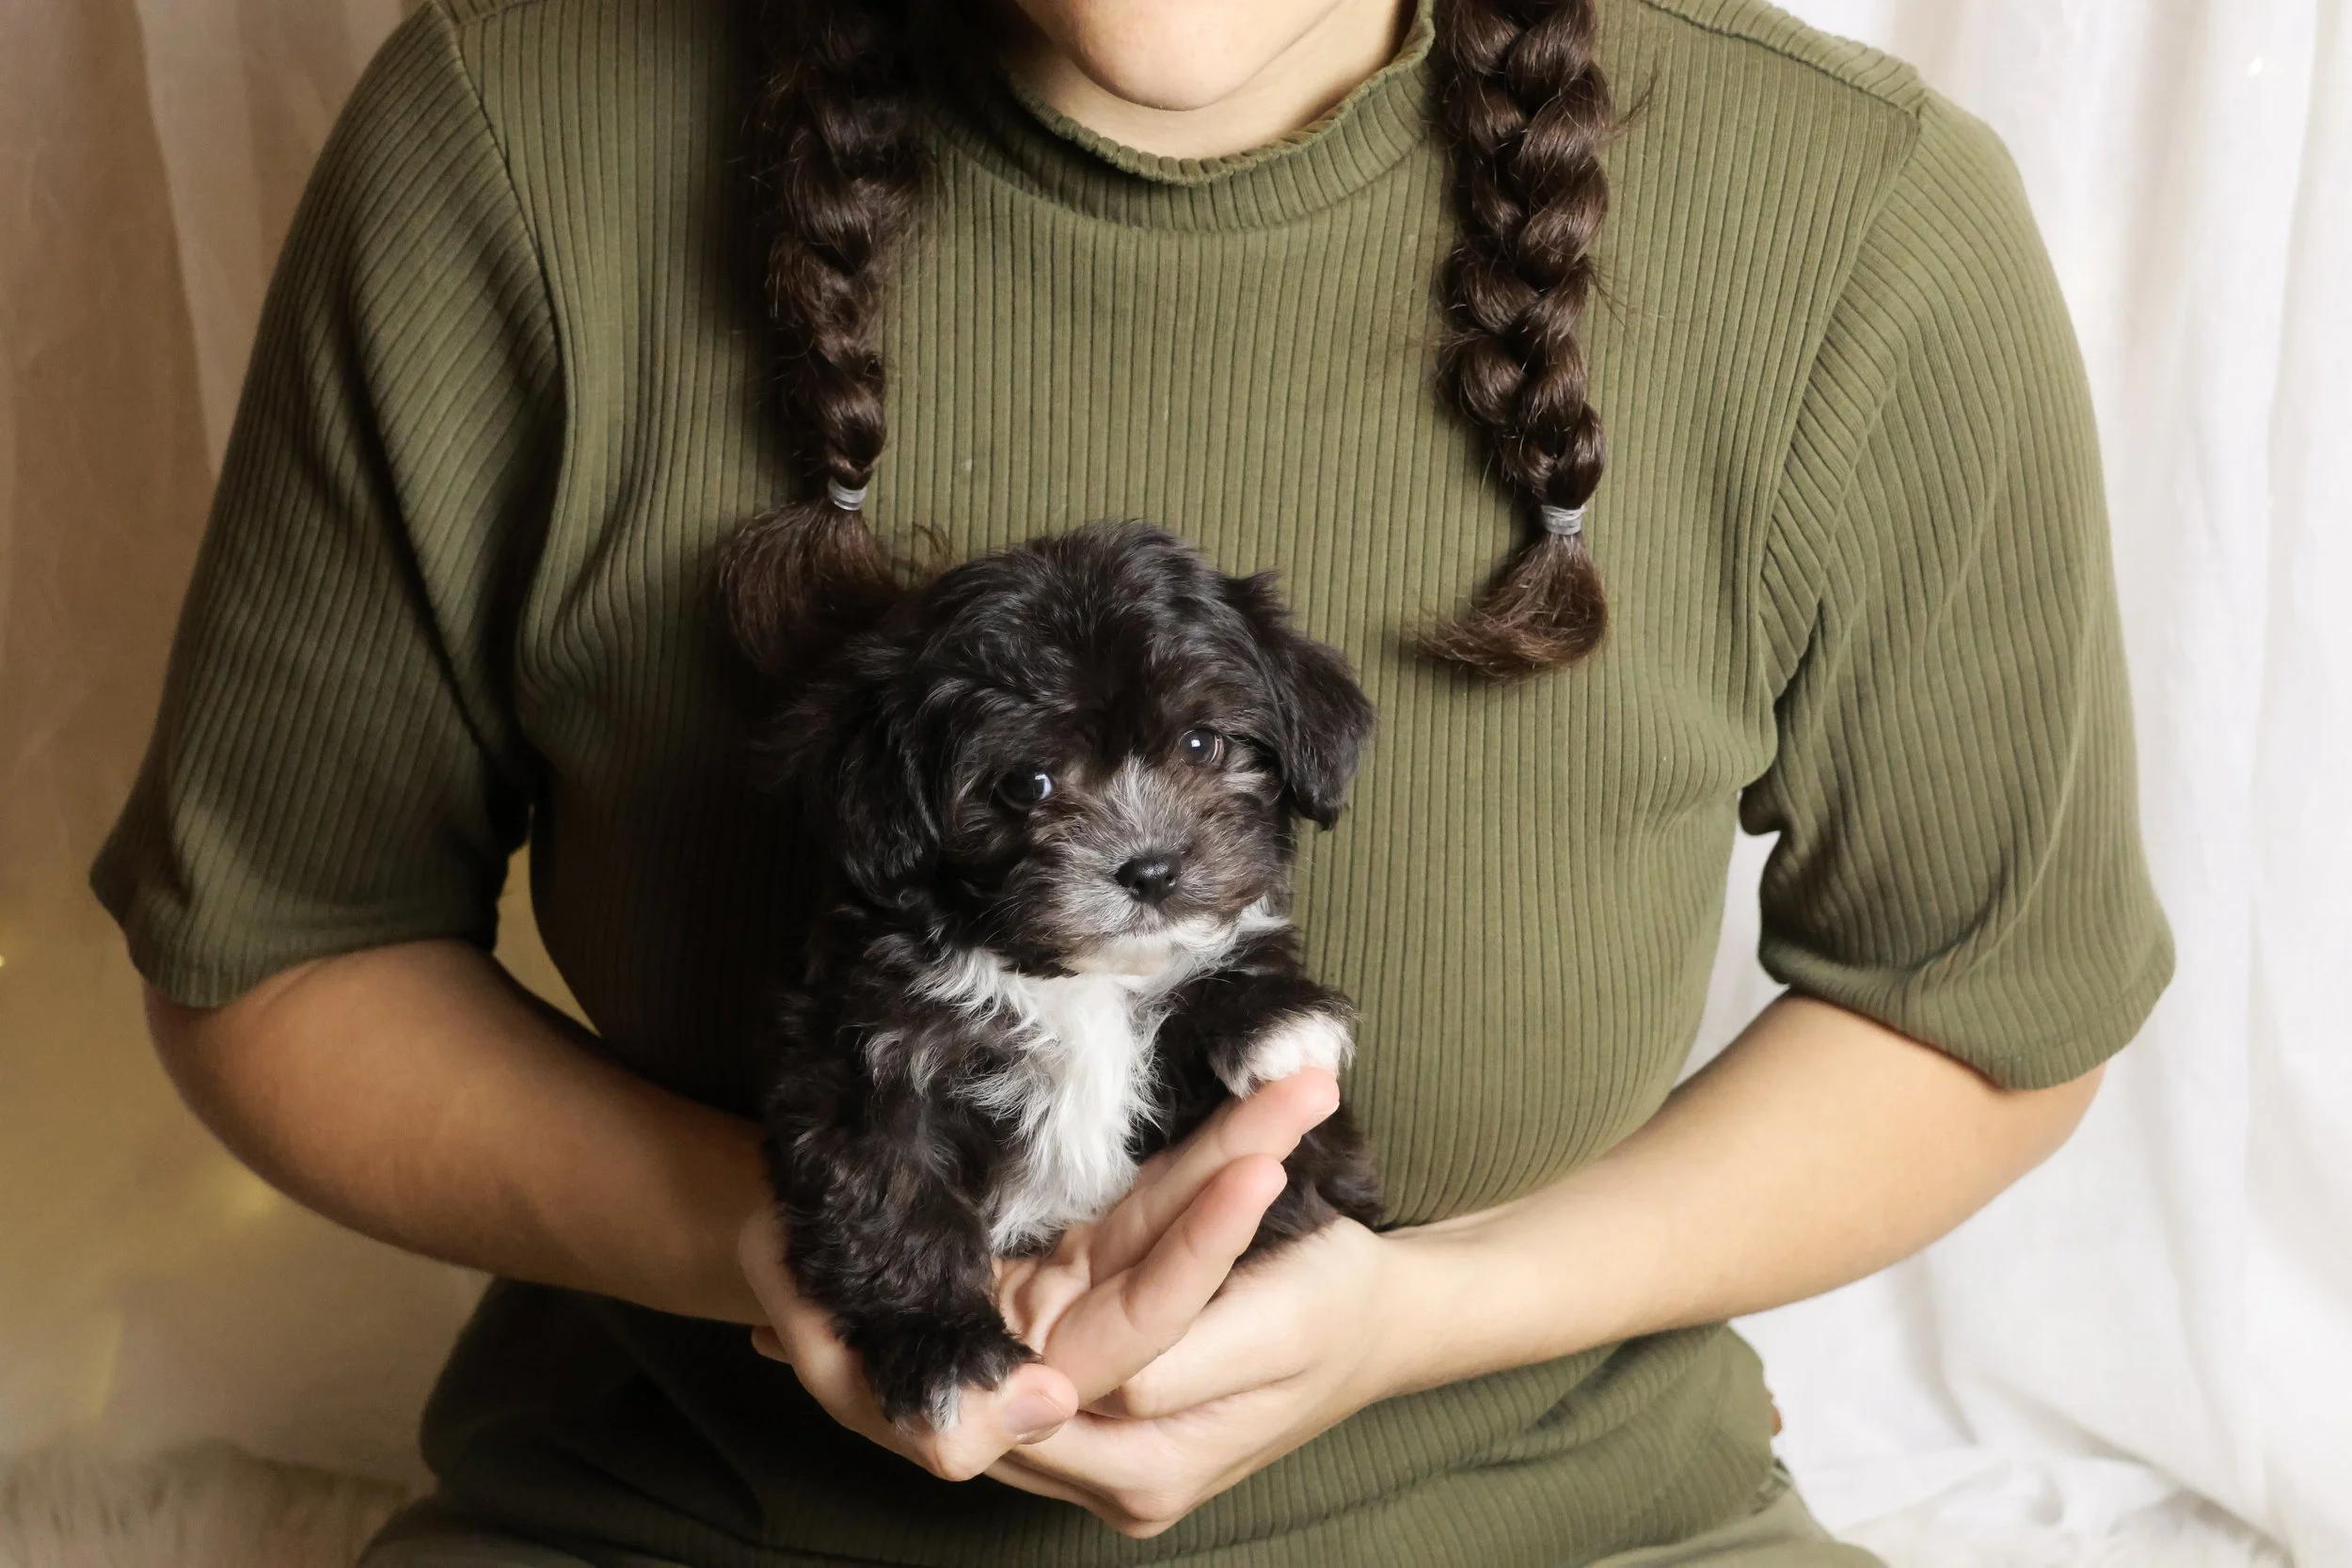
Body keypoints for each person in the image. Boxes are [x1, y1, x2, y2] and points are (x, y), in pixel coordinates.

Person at [90, 0, 2173, 1561]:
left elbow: (1973, 1004)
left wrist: (1413, 1317)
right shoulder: (507, 135)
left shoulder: (1850, 216)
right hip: (680, 1521)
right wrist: (795, 1251)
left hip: (1553, 1524)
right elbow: (280, 943)